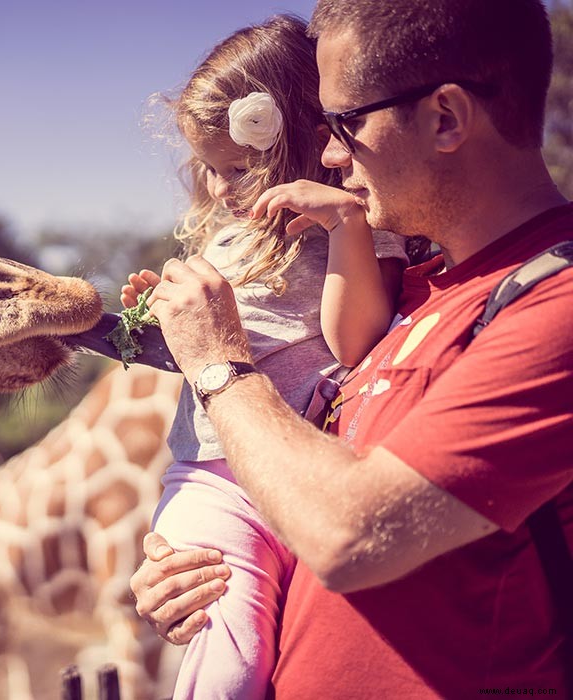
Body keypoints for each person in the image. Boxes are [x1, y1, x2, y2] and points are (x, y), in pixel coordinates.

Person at [129, 0, 573, 696]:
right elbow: (304, 495)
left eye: (346, 123)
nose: (330, 154)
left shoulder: (557, 307)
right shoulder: (417, 291)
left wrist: (219, 364)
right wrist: (192, 576)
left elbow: (348, 537)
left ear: (446, 118)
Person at [119, 15, 408, 699]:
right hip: (214, 481)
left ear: (310, 143)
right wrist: (154, 311)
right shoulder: (225, 240)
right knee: (232, 665)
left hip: (302, 474)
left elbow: (354, 343)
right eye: (211, 172)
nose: (220, 190)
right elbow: (196, 351)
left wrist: (344, 225)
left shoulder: (364, 231)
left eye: (240, 168)